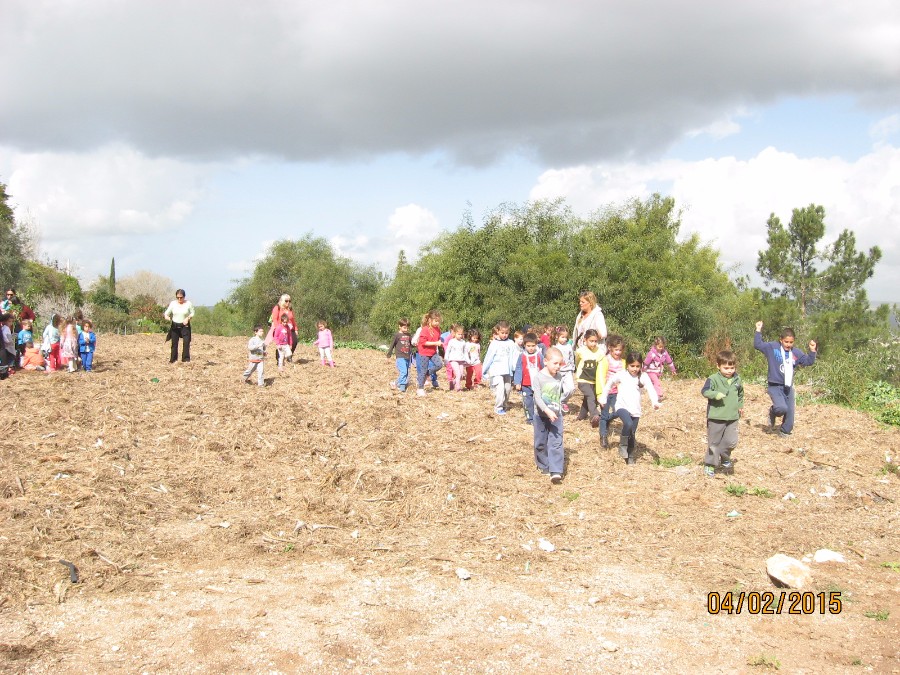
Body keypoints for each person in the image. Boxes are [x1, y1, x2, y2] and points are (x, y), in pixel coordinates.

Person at [754, 321, 817, 437]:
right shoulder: (772, 348)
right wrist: (758, 330)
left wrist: (812, 351)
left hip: (788, 387)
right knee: (781, 408)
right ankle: (773, 411)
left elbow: (808, 361)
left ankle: (785, 431)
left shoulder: (796, 353)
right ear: (780, 340)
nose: (788, 344)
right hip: (774, 385)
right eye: (786, 342)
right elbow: (758, 345)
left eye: (791, 342)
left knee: (790, 412)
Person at [599, 351, 660, 465]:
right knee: (628, 424)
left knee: (632, 433)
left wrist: (655, 402)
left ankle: (630, 456)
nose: (635, 369)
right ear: (627, 365)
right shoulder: (621, 375)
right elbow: (609, 384)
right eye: (632, 366)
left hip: (635, 410)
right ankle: (622, 445)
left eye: (637, 366)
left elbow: (651, 389)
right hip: (622, 406)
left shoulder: (643, 376)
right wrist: (603, 398)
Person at [701, 350, 744, 477]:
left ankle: (725, 457)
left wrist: (740, 406)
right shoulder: (713, 379)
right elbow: (705, 391)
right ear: (718, 366)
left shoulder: (737, 379)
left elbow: (740, 394)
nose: (729, 370)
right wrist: (715, 395)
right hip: (716, 417)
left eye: (732, 367)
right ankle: (710, 464)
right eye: (726, 368)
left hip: (732, 417)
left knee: (731, 442)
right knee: (714, 443)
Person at [532, 346, 566, 484]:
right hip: (541, 416)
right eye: (555, 363)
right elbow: (538, 398)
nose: (558, 367)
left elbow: (559, 394)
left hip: (556, 416)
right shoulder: (539, 377)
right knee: (540, 442)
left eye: (560, 364)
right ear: (545, 361)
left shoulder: (559, 377)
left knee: (556, 442)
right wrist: (547, 410)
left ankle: (556, 470)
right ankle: (543, 465)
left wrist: (561, 404)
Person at [482, 320, 518, 415]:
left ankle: (504, 404)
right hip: (496, 370)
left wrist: (515, 369)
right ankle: (498, 407)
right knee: (500, 388)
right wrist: (484, 371)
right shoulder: (494, 343)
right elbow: (489, 357)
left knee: (507, 389)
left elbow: (514, 356)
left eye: (506, 333)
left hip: (507, 371)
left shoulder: (511, 343)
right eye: (502, 333)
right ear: (497, 331)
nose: (504, 335)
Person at [598, 335, 625, 447]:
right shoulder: (605, 360)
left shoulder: (623, 362)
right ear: (610, 348)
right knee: (604, 415)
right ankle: (603, 436)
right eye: (616, 350)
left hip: (617, 392)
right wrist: (600, 394)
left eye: (620, 350)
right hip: (605, 392)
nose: (618, 352)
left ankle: (606, 420)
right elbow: (600, 377)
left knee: (617, 411)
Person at [574, 329, 603, 426]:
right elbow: (577, 362)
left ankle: (581, 416)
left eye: (595, 341)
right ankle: (594, 416)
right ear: (585, 340)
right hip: (583, 380)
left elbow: (602, 365)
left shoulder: (599, 352)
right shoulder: (580, 351)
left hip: (594, 380)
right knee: (590, 396)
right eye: (591, 341)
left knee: (589, 398)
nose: (594, 343)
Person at [513, 332, 544, 424]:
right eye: (528, 346)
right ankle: (530, 418)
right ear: (525, 345)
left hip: (537, 383)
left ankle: (540, 417)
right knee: (528, 402)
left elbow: (543, 368)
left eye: (533, 346)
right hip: (526, 384)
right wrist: (517, 382)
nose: (531, 348)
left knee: (538, 401)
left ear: (536, 345)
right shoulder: (522, 356)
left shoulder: (539, 355)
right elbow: (518, 369)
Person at [415, 310, 443, 396]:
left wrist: (440, 343)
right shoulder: (425, 330)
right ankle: (420, 389)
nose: (437, 323)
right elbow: (423, 343)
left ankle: (427, 373)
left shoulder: (438, 329)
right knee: (423, 370)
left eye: (438, 321)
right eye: (436, 321)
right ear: (430, 320)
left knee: (439, 364)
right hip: (424, 352)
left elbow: (437, 339)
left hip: (433, 352)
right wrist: (436, 343)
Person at [164, 289, 195, 363]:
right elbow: (166, 313)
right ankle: (173, 360)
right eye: (177, 297)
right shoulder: (173, 304)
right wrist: (167, 317)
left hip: (185, 325)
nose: (179, 299)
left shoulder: (188, 304)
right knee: (174, 343)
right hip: (175, 325)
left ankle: (186, 359)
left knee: (186, 342)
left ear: (184, 297)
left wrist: (188, 318)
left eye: (181, 297)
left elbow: (192, 313)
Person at [644, 336, 677, 400]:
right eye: (659, 346)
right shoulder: (651, 354)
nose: (661, 348)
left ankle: (652, 395)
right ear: (655, 345)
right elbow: (646, 362)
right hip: (651, 371)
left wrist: (673, 369)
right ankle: (658, 395)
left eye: (662, 347)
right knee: (657, 382)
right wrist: (642, 370)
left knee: (653, 384)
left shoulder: (664, 353)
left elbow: (669, 361)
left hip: (658, 371)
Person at [553, 325, 576, 411]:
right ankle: (555, 404)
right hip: (558, 371)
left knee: (571, 389)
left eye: (566, 337)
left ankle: (562, 401)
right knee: (556, 390)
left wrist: (573, 367)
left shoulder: (569, 346)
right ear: (557, 336)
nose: (565, 339)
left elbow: (571, 357)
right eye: (562, 337)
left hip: (568, 370)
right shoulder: (555, 347)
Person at [386, 318, 413, 392]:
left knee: (406, 373)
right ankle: (402, 387)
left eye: (407, 327)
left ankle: (395, 383)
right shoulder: (397, 335)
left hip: (407, 356)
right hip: (400, 356)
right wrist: (389, 354)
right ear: (399, 326)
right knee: (403, 371)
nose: (406, 329)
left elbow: (411, 344)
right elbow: (392, 345)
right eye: (404, 327)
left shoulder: (408, 335)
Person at [444, 324, 468, 392]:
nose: (460, 336)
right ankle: (458, 387)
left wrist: (466, 359)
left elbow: (465, 351)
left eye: (461, 334)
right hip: (453, 360)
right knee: (458, 373)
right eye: (458, 334)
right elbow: (448, 350)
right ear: (454, 333)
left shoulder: (463, 342)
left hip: (461, 360)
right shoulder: (452, 341)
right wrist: (446, 359)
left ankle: (453, 383)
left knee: (461, 375)